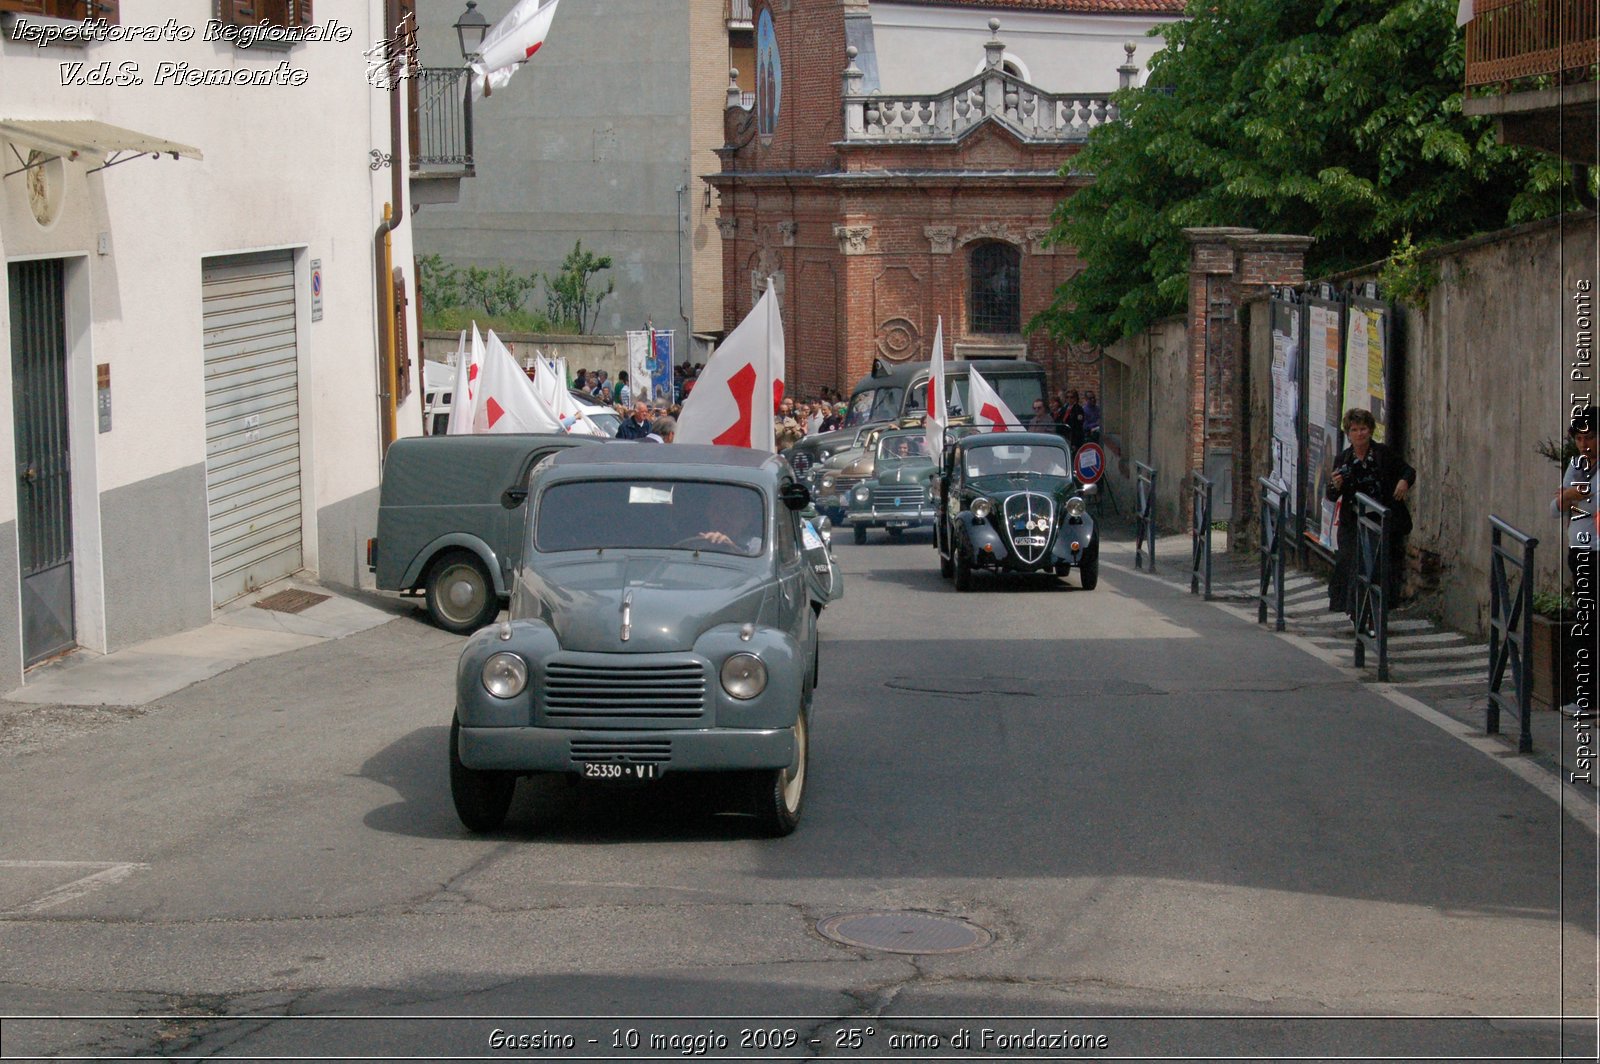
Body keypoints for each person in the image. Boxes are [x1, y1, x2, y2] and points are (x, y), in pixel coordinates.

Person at [1325, 407, 1415, 618]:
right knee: (1349, 563)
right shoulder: (1343, 459)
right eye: (1354, 430)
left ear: (1371, 430)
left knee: (1378, 569)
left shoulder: (1383, 454)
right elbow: (1330, 495)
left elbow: (1408, 471)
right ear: (1348, 434)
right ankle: (1356, 612)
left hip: (1380, 521)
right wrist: (1335, 486)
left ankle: (1377, 614)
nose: (1359, 434)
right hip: (1353, 522)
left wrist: (1403, 482)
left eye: (1363, 429)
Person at [1552, 405, 1596, 713]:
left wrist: (1573, 494)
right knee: (1585, 622)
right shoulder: (1578, 464)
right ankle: (1587, 697)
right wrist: (1570, 495)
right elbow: (1555, 507)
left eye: (1590, 437)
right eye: (1579, 439)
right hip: (1578, 551)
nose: (1584, 445)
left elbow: (1595, 502)